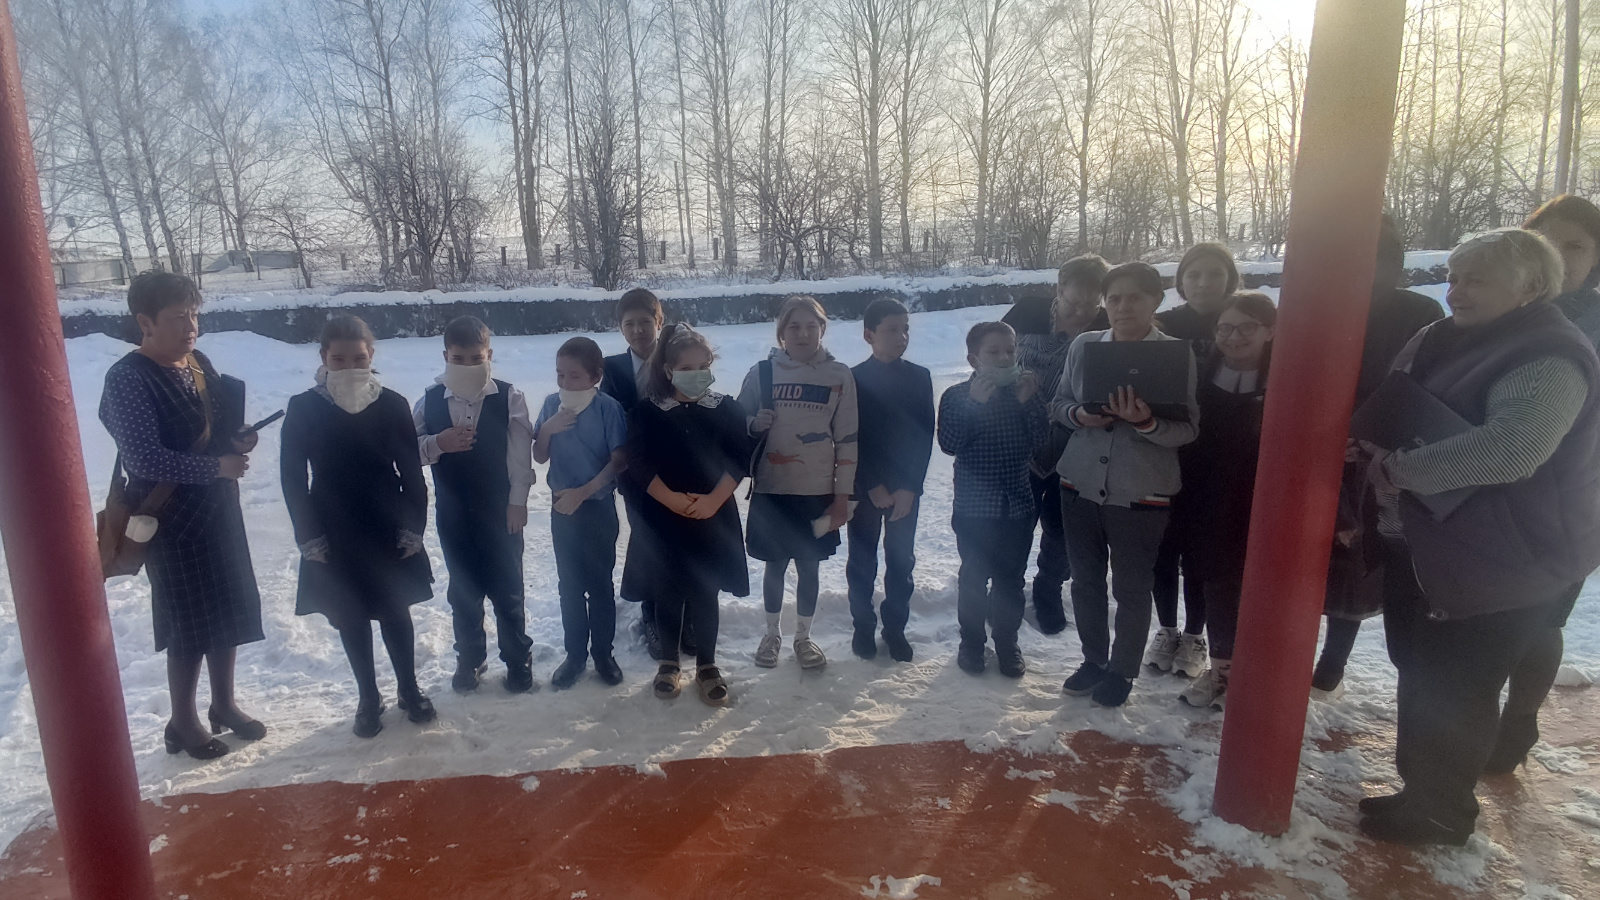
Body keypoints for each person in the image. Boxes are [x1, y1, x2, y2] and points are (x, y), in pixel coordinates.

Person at [1355, 228, 1600, 846]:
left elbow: (1513, 449)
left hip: (1503, 553)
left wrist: (1399, 469)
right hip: (1430, 541)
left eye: (1477, 280)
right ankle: (1424, 792)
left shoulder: (1547, 354)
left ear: (1530, 286)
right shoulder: (1446, 335)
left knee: (1458, 683)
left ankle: (1441, 812)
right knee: (1423, 669)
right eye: (1454, 277)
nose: (1457, 291)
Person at [99, 271, 264, 759]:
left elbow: (217, 430)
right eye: (177, 318)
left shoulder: (197, 363)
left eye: (194, 314)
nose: (191, 326)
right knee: (188, 620)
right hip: (171, 519)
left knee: (228, 607)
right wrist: (216, 467)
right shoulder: (127, 378)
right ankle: (182, 721)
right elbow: (144, 459)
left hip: (218, 510)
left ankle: (224, 704)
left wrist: (239, 441)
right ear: (145, 322)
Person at [1486, 195, 1600, 770]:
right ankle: (1470, 723)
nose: (1559, 254)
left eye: (1576, 246)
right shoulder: (1494, 312)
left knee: (1542, 618)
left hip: (1570, 500)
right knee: (1482, 615)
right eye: (1547, 240)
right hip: (1488, 490)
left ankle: (1520, 720)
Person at [1053, 262, 1200, 708]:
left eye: (1134, 297)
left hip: (1141, 491)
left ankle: (1122, 670)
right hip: (1079, 483)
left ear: (1156, 301)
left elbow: (1188, 429)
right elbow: (1057, 404)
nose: (1122, 307)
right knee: (1085, 581)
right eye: (1113, 298)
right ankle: (1093, 660)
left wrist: (1147, 423)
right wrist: (1080, 415)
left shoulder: (1174, 354)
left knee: (1132, 587)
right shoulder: (1084, 345)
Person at [282, 315, 436, 739]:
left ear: (372, 356)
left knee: (394, 610)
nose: (350, 366)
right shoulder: (304, 407)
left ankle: (409, 688)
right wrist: (308, 535)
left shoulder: (393, 404)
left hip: (386, 523)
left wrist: (412, 527)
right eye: (339, 359)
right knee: (349, 614)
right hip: (333, 528)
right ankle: (368, 697)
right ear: (323, 358)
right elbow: (292, 477)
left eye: (359, 358)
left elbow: (411, 473)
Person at [1313, 214, 1443, 700]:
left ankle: (1333, 658)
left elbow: (1423, 388)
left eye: (1372, 259)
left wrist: (1371, 437)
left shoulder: (1420, 312)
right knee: (1304, 553)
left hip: (1378, 453)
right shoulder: (1316, 308)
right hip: (1312, 447)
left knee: (1355, 556)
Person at [622, 324, 755, 705]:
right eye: (686, 368)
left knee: (705, 591)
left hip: (713, 515)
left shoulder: (726, 408)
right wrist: (671, 500)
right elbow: (637, 464)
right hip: (663, 518)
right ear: (668, 371)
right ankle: (668, 663)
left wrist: (714, 500)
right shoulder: (647, 412)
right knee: (667, 589)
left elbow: (739, 458)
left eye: (703, 366)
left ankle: (708, 665)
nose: (696, 374)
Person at [414, 316, 536, 694]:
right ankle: (470, 657)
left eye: (476, 358)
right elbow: (408, 451)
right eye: (459, 358)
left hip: (500, 510)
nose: (468, 365)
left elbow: (520, 456)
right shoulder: (429, 401)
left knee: (508, 588)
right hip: (453, 513)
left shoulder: (509, 397)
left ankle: (517, 657)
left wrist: (518, 502)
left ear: (489, 355)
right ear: (446, 357)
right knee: (463, 592)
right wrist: (439, 443)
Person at [740, 296, 859, 670]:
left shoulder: (838, 375)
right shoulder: (762, 372)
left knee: (810, 567)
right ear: (782, 333)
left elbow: (848, 439)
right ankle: (771, 634)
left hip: (817, 492)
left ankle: (804, 638)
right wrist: (752, 423)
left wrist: (842, 497)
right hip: (772, 490)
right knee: (774, 566)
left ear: (823, 330)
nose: (803, 334)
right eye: (794, 327)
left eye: (812, 326)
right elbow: (735, 421)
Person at [1168, 293, 1275, 711]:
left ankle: (1257, 673)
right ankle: (1222, 671)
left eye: (1247, 327)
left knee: (1259, 586)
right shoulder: (1199, 374)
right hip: (1204, 494)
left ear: (1270, 331)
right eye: (1225, 328)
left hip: (1262, 496)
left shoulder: (1287, 377)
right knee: (1213, 580)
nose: (1234, 336)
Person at [1147, 243, 1240, 677]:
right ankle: (1166, 628)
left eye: (1214, 274)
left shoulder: (1241, 322)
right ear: (1181, 281)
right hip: (1166, 447)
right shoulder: (1163, 325)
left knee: (1203, 550)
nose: (1204, 283)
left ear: (1230, 279)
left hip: (1220, 452)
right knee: (1163, 544)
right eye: (1194, 274)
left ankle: (1195, 634)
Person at [938, 322, 1049, 677]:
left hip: (1017, 506)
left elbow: (1041, 441)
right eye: (993, 352)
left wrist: (1027, 403)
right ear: (974, 359)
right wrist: (975, 404)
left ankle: (1007, 643)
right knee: (973, 579)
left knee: (1011, 581)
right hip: (974, 509)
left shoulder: (1026, 393)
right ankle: (971, 643)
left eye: (1010, 351)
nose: (1003, 359)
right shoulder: (957, 395)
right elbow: (950, 443)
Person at [1011, 255, 1111, 635]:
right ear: (1058, 290)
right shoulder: (1028, 311)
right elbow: (994, 352)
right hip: (1020, 434)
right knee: (1018, 519)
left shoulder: (1106, 326)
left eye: (1091, 304)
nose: (1082, 312)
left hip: (1078, 437)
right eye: (1074, 302)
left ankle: (1049, 587)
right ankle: (1008, 587)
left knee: (1064, 525)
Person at [534, 337, 628, 689]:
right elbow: (540, 455)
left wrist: (584, 492)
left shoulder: (607, 408)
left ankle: (604, 654)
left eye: (574, 376)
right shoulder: (551, 405)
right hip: (562, 508)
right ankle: (574, 656)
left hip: (597, 506)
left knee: (600, 585)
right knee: (569, 586)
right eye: (560, 374)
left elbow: (619, 460)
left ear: (595, 376)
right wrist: (547, 429)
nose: (565, 382)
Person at [846, 298, 935, 663]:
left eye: (906, 329)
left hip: (904, 490)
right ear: (869, 335)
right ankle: (862, 626)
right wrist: (871, 484)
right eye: (892, 329)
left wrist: (910, 487)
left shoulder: (919, 377)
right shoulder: (852, 379)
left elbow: (923, 435)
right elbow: (851, 437)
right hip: (865, 488)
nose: (902, 336)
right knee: (862, 561)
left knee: (901, 561)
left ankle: (895, 628)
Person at [601, 288, 684, 657]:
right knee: (648, 539)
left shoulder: (677, 358)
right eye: (629, 324)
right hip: (636, 472)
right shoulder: (612, 369)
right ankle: (651, 612)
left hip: (679, 469)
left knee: (682, 539)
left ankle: (685, 611)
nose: (637, 330)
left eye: (645, 322)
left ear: (659, 322)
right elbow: (610, 417)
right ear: (620, 328)